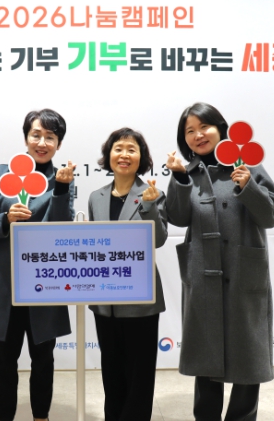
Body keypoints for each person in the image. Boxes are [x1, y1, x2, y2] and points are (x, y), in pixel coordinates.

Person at [165, 102, 274, 421]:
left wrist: (248, 186)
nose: (198, 135)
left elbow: (272, 216)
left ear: (220, 129)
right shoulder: (187, 173)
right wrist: (178, 178)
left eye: (204, 127)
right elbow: (177, 217)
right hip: (203, 274)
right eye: (189, 131)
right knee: (206, 354)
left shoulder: (248, 165)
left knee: (249, 355)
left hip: (243, 273)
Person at [0, 109, 75, 421]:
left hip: (44, 283)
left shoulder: (61, 179)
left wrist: (62, 189)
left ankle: (41, 417)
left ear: (58, 144)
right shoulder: (2, 174)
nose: (42, 142)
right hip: (4, 283)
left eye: (50, 137)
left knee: (43, 359)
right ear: (26, 138)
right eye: (36, 135)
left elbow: (62, 227)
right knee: (4, 360)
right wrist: (6, 218)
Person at [87, 127, 168, 421]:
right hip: (104, 299)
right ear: (109, 155)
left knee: (139, 375)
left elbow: (158, 239)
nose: (124, 155)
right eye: (118, 148)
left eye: (131, 150)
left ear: (141, 158)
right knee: (111, 371)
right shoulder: (96, 197)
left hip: (140, 298)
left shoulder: (152, 194)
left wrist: (148, 205)